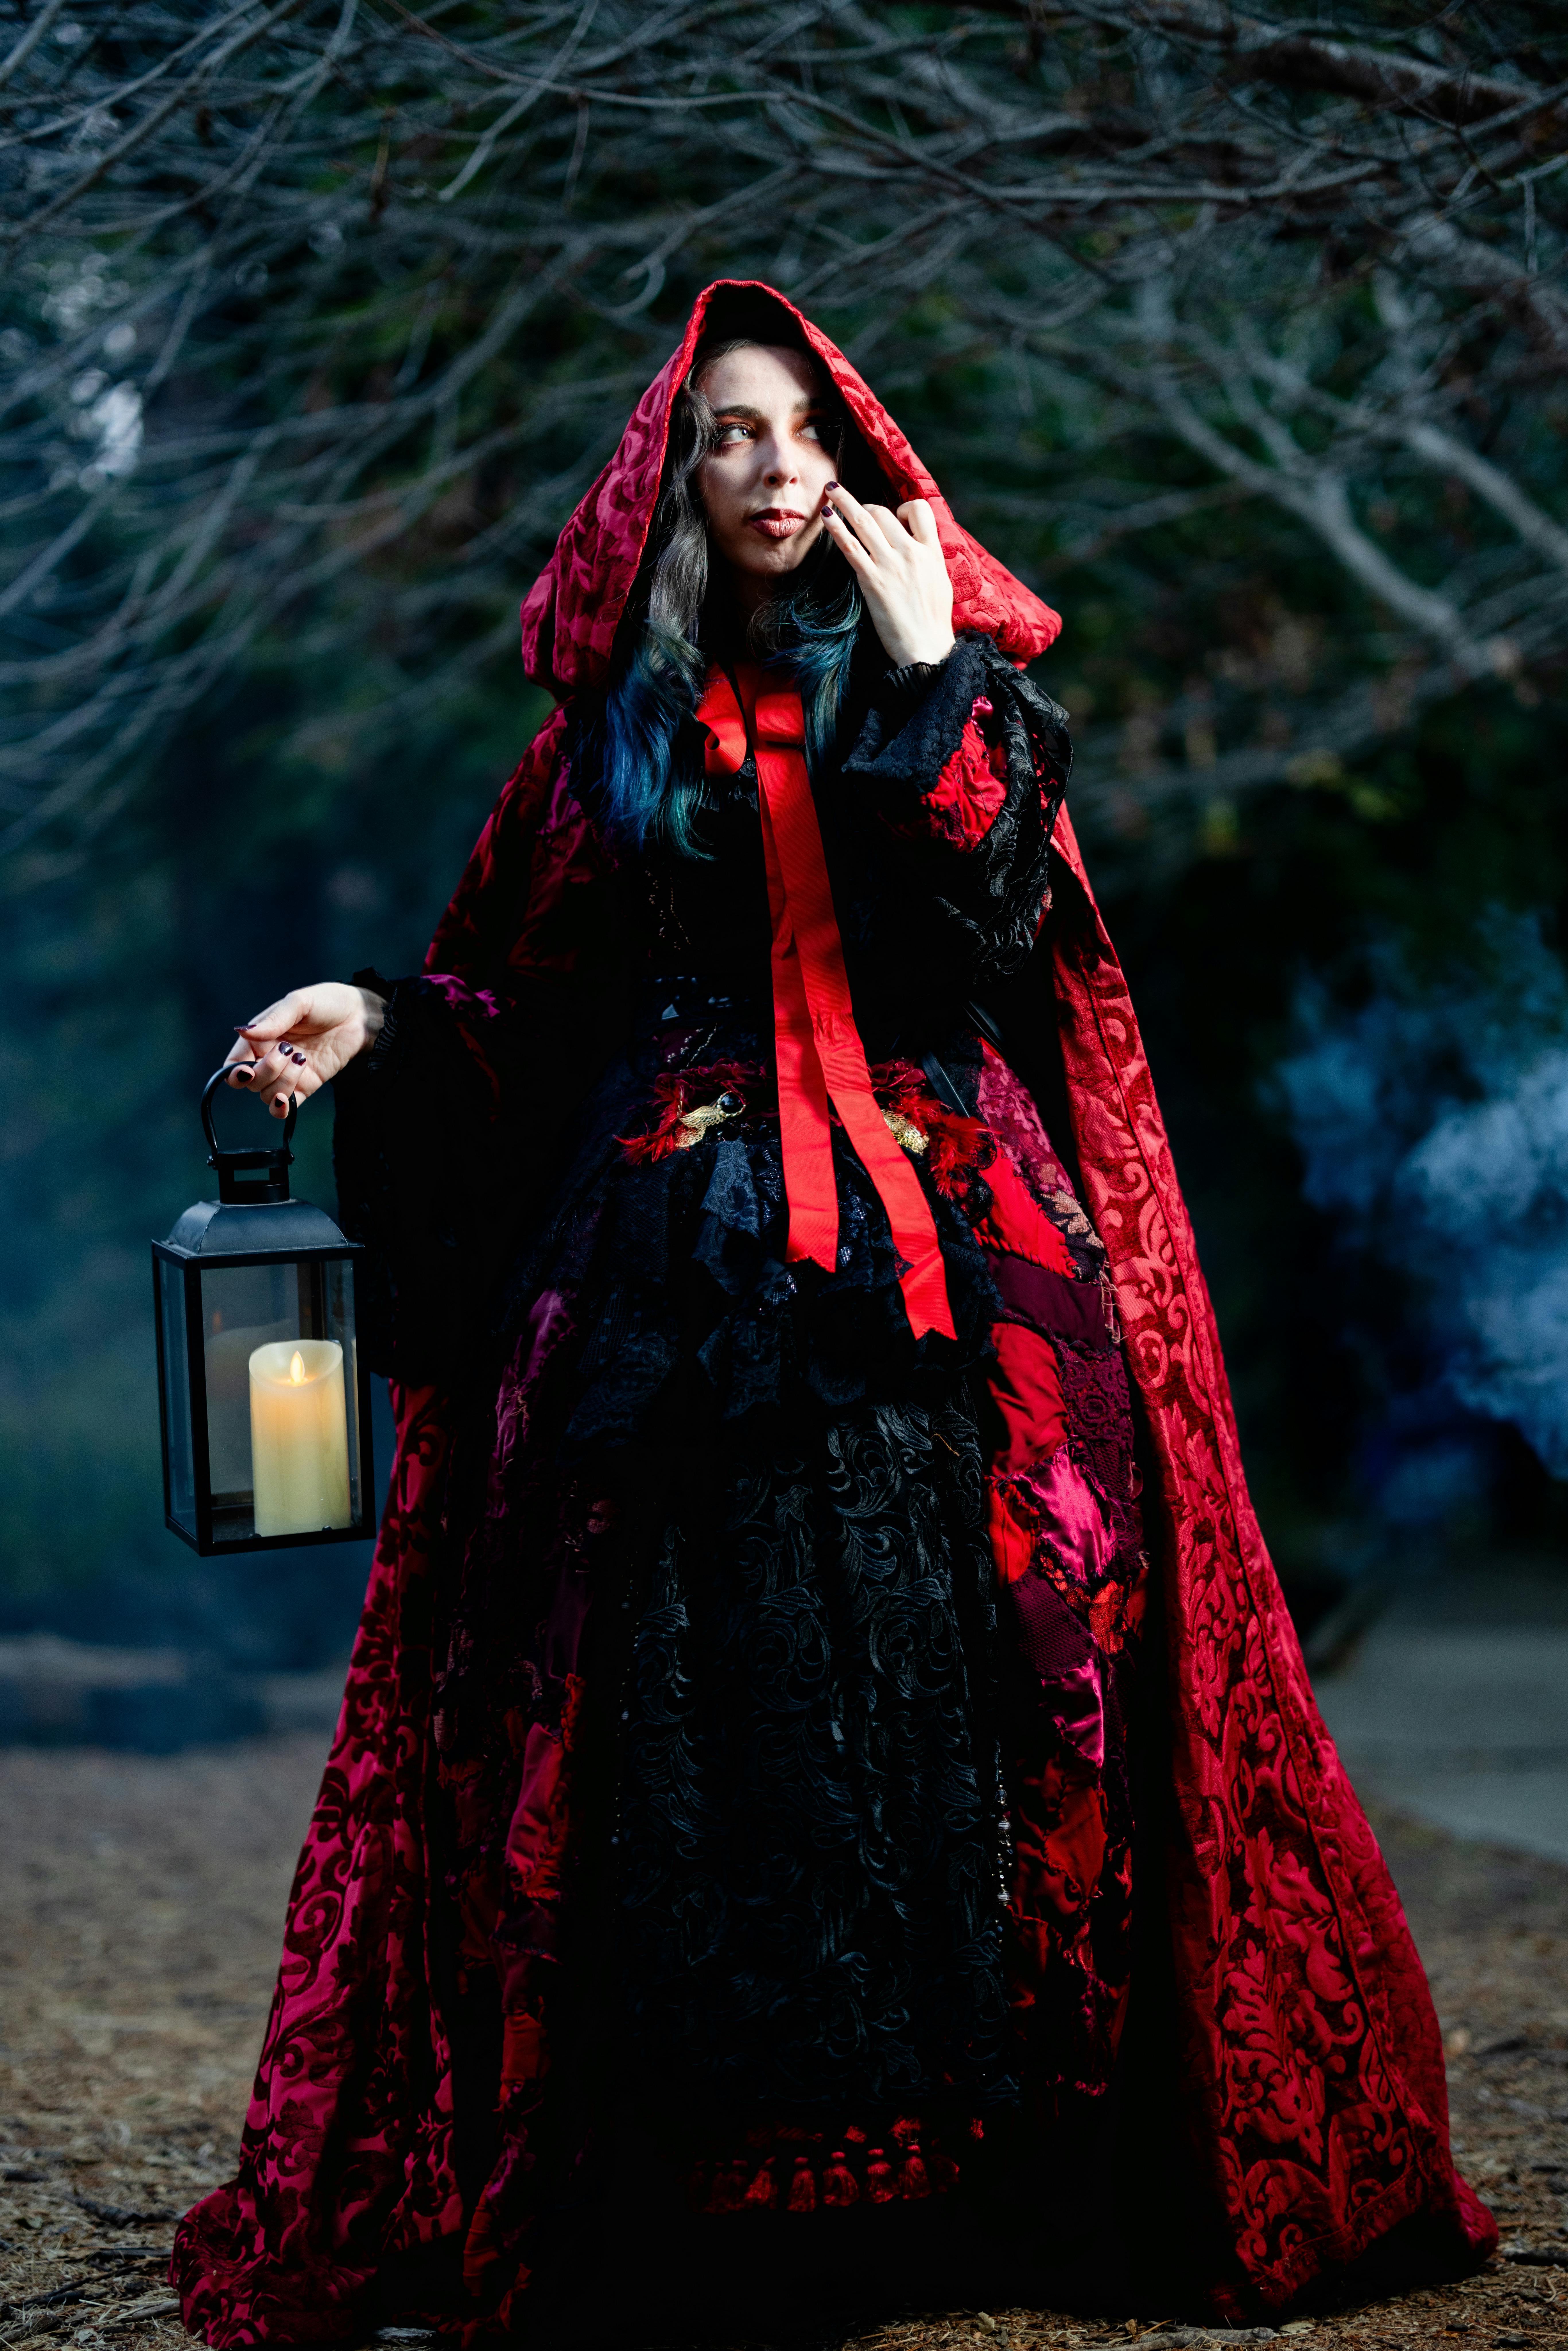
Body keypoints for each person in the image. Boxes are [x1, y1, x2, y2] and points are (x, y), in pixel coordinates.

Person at [172, 281, 1494, 2348]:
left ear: (855, 462)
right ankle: (702, 2203)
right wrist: (392, 1018)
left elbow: (989, 930)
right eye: (725, 434)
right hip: (663, 1267)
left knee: (987, 1658)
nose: (770, 465)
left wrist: (925, 667)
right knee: (668, 1688)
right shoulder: (599, 738)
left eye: (800, 431)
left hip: (948, 1260)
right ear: (672, 480)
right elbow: (544, 1000)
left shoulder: (963, 692)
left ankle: (987, 2193)